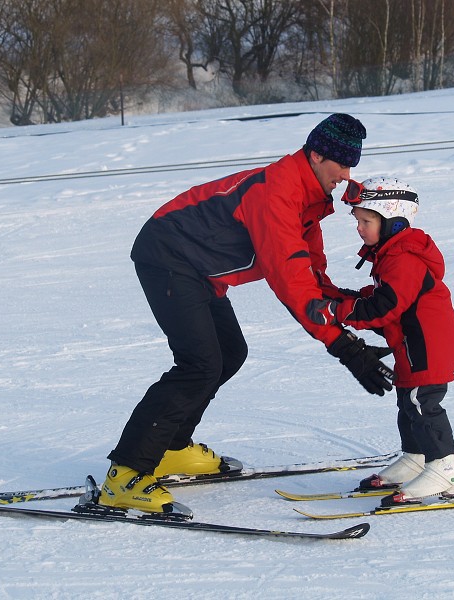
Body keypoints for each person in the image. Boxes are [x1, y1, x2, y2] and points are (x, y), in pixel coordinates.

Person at [98, 114, 394, 513]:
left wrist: (355, 324)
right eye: (341, 164)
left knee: (229, 353)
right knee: (198, 364)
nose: (346, 174)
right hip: (168, 255)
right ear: (317, 154)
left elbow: (312, 277)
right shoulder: (277, 194)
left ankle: (170, 448)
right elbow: (290, 283)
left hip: (198, 269)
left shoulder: (308, 201)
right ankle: (126, 474)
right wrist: (343, 348)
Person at [327, 176, 454, 505]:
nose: (360, 228)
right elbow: (382, 296)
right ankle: (417, 457)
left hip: (425, 345)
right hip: (410, 345)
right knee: (408, 402)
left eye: (367, 221)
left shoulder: (404, 259)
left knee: (423, 403)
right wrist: (345, 297)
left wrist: (340, 309)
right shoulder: (392, 256)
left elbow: (384, 307)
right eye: (358, 221)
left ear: (394, 221)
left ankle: (446, 468)